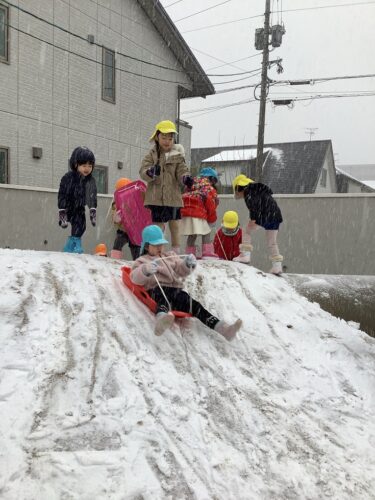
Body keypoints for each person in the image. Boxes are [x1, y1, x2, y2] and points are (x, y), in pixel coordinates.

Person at [130, 225, 242, 339]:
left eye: (161, 244)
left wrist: (187, 264)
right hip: (156, 289)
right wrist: (145, 270)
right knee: (162, 299)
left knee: (194, 305)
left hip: (175, 291)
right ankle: (161, 319)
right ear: (147, 246)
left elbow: (180, 270)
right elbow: (134, 277)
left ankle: (223, 329)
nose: (159, 248)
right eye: (156, 245)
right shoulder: (143, 261)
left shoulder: (170, 256)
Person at [139, 120, 194, 254]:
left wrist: (185, 178)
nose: (167, 141)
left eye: (170, 138)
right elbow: (142, 171)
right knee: (158, 226)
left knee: (175, 225)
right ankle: (157, 251)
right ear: (157, 137)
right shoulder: (151, 155)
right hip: (156, 197)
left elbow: (182, 170)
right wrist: (150, 172)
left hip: (173, 197)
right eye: (164, 138)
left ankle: (175, 252)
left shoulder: (177, 156)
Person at [232, 174, 283, 274]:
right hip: (276, 216)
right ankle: (277, 266)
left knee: (246, 230)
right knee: (272, 242)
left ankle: (245, 255)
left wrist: (253, 218)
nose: (239, 195)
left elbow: (254, 205)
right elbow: (264, 202)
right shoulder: (259, 190)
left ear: (239, 187)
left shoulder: (248, 192)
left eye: (237, 192)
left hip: (263, 215)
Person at [58, 146, 97, 254]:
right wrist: (62, 210)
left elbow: (92, 196)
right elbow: (62, 193)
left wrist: (92, 210)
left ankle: (70, 247)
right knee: (77, 224)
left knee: (81, 226)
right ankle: (75, 245)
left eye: (90, 165)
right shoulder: (68, 177)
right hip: (68, 206)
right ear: (76, 165)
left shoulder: (90, 180)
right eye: (84, 165)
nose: (87, 168)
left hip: (80, 207)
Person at [181, 166, 219, 259]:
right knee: (206, 231)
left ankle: (190, 254)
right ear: (212, 179)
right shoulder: (209, 188)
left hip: (186, 212)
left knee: (192, 233)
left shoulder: (190, 185)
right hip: (198, 212)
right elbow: (210, 204)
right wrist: (212, 219)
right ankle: (207, 253)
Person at [110, 177, 141, 260]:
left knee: (136, 248)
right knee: (117, 243)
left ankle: (137, 262)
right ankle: (114, 260)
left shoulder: (136, 201)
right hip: (123, 229)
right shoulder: (116, 203)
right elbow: (114, 217)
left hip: (135, 230)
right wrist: (116, 218)